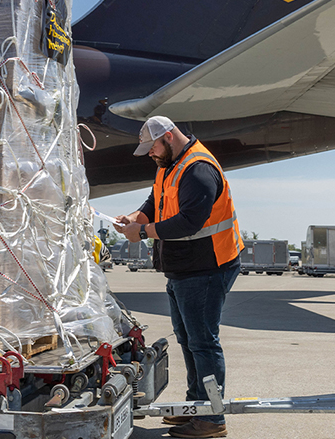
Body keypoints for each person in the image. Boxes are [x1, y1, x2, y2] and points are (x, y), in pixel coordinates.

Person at [115, 116, 243, 438]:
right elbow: (155, 201)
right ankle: (195, 407)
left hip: (208, 269)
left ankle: (212, 419)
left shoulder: (198, 170)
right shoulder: (170, 165)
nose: (149, 154)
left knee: (203, 343)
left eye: (152, 147)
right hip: (185, 269)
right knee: (188, 341)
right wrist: (136, 216)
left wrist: (142, 231)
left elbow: (189, 222)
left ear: (169, 137)